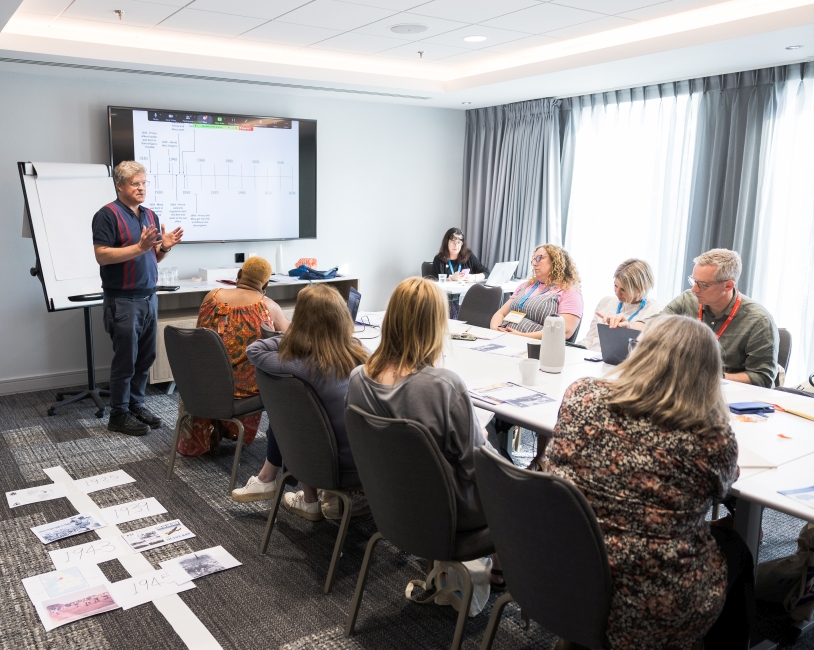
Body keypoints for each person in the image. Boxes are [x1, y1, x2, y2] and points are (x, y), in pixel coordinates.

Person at [550, 315, 753, 650]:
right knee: (735, 547)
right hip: (646, 605)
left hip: (561, 569)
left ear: (641, 352)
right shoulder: (709, 435)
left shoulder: (581, 394)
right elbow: (724, 487)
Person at [345, 277, 506, 589]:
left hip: (391, 503)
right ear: (436, 326)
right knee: (519, 483)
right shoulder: (443, 387)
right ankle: (501, 569)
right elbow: (480, 470)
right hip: (449, 512)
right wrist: (481, 441)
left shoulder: (357, 379)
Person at [232, 284, 368, 522]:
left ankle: (288, 490)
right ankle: (281, 486)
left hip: (328, 462)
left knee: (291, 410)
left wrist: (294, 337)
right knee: (299, 410)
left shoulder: (302, 364)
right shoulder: (360, 351)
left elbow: (255, 350)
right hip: (364, 452)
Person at [92, 160, 183, 436]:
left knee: (145, 357)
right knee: (126, 360)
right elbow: (102, 255)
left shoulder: (150, 215)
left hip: (148, 297)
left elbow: (152, 256)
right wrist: (139, 246)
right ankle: (118, 414)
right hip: (122, 300)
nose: (141, 188)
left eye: (144, 183)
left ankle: (135, 405)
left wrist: (164, 248)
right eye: (135, 184)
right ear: (120, 186)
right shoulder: (106, 215)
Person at [601, 248, 778, 387]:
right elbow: (659, 322)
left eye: (703, 284)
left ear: (728, 285)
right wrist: (629, 325)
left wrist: (713, 376)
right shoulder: (689, 299)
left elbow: (762, 378)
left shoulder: (759, 321)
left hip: (728, 395)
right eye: (693, 281)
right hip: (684, 388)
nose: (694, 289)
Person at [176, 256, 290, 456]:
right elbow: (293, 337)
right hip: (238, 392)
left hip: (200, 385)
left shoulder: (211, 296)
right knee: (281, 378)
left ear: (239, 275)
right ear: (266, 284)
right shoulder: (268, 306)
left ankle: (214, 432)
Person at [490, 243, 583, 340]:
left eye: (539, 258)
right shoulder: (525, 285)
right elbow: (501, 313)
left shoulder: (569, 291)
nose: (534, 263)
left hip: (534, 346)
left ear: (555, 262)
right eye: (534, 259)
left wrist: (521, 336)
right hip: (502, 338)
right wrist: (495, 330)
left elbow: (565, 331)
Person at [578, 258, 663, 352]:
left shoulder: (655, 311)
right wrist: (577, 349)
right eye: (615, 286)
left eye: (623, 289)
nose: (617, 293)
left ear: (640, 288)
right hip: (590, 358)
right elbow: (589, 339)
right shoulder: (606, 303)